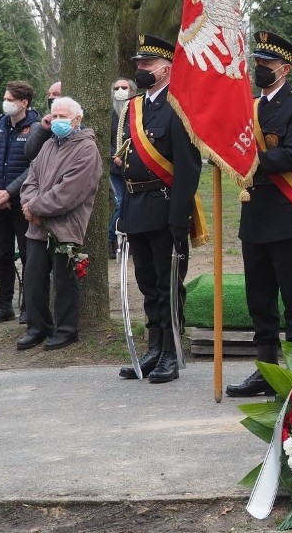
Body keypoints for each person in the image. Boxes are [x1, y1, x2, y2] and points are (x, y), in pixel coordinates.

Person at [226, 32, 292, 398]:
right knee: (259, 300)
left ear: (285, 69)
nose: (260, 70)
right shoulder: (249, 106)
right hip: (254, 215)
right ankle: (265, 371)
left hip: (286, 213)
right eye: (258, 64)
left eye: (267, 65)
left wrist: (248, 160)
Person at [115, 34, 202, 383]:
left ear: (166, 69)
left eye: (147, 64)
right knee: (147, 284)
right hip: (136, 206)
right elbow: (119, 161)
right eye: (138, 64)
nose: (140, 69)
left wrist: (179, 218)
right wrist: (123, 209)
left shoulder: (179, 107)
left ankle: (170, 351)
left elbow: (188, 167)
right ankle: (153, 348)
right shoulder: (133, 108)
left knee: (168, 286)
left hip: (166, 208)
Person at [17, 96, 102, 351]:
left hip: (66, 226)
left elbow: (70, 192)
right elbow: (30, 179)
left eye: (63, 116)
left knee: (65, 281)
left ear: (77, 119)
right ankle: (38, 327)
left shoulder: (87, 149)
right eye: (54, 116)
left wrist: (35, 208)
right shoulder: (47, 146)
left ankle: (66, 331)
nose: (58, 121)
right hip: (37, 226)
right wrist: (30, 204)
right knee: (33, 279)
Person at [0, 81, 40, 324]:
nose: (5, 103)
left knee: (27, 254)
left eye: (10, 99)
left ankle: (28, 305)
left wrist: (10, 192)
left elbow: (34, 167)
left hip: (22, 202)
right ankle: (5, 304)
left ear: (23, 103)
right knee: (2, 254)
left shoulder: (35, 128)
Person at [108, 77, 136, 259]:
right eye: (116, 88)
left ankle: (130, 239)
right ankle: (111, 237)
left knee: (131, 205)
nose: (120, 91)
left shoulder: (137, 112)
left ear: (131, 90)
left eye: (123, 87)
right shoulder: (109, 114)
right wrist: (116, 155)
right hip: (114, 171)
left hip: (134, 168)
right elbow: (104, 141)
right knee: (121, 204)